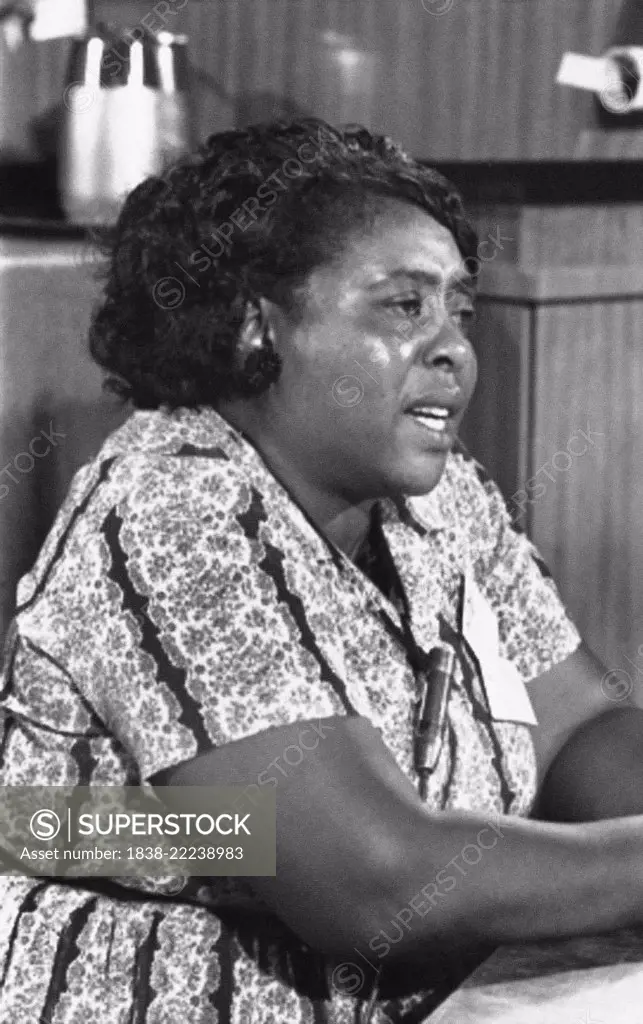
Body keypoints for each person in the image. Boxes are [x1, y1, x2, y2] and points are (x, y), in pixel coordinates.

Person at [1, 117, 643, 1024]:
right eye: (403, 305)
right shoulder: (168, 511)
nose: (455, 346)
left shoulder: (441, 497)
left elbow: (579, 727)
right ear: (258, 330)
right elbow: (372, 881)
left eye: (458, 308)